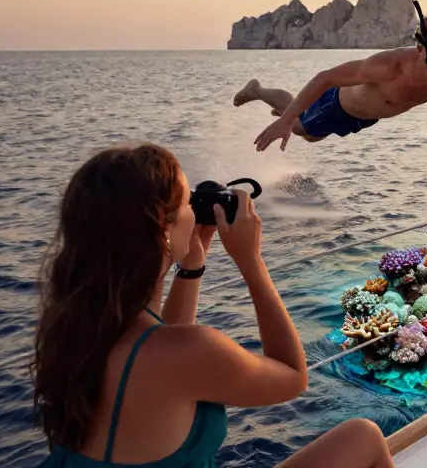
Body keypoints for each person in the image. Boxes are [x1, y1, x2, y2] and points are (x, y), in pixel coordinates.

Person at [32, 143, 394, 468]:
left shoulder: (73, 330)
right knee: (364, 437)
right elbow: (292, 378)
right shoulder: (191, 351)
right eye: (185, 200)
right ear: (163, 230)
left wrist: (191, 267)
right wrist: (251, 261)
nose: (195, 206)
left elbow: (163, 344)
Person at [236, 6, 427, 154]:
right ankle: (259, 91)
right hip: (338, 105)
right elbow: (325, 78)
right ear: (421, 49)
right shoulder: (386, 66)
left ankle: (287, 111)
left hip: (366, 117)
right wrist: (286, 121)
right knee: (302, 129)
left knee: (313, 135)